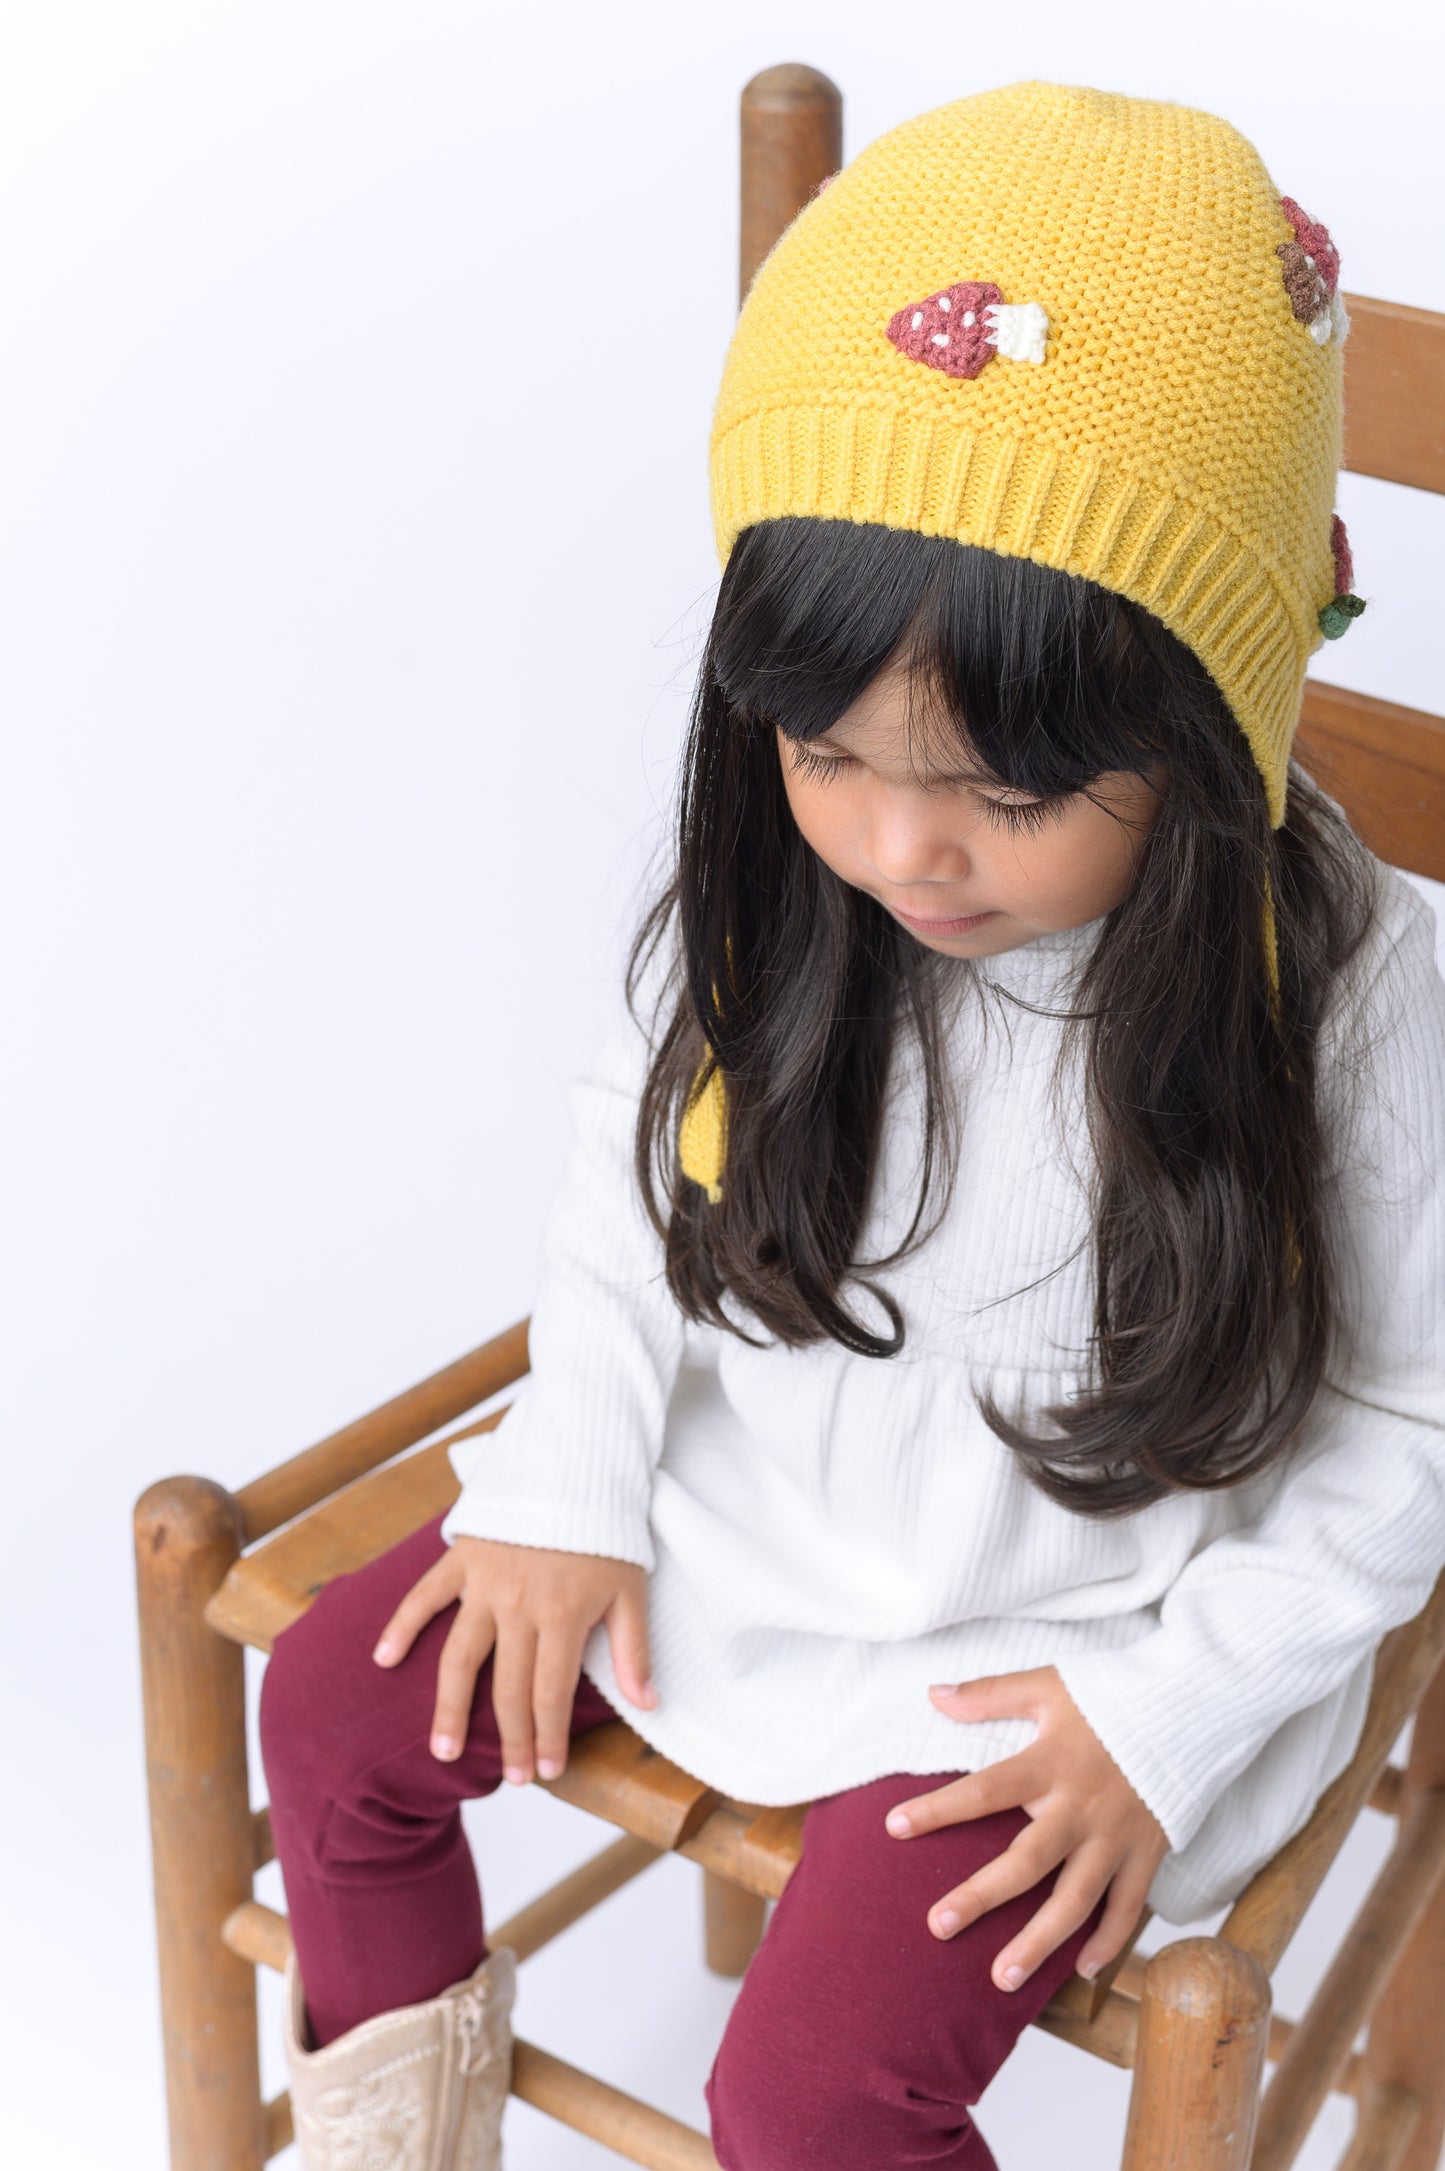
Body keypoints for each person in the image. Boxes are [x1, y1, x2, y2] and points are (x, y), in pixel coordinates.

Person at [259, 78, 1445, 2171]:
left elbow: (1411, 1429)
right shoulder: (797, 885)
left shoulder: (1336, 993)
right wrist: (574, 1473)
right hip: (739, 1522)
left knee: (809, 2098)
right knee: (345, 1709)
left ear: (1204, 725)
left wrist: (1163, 1724)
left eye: (1007, 794)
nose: (904, 847)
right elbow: (640, 1186)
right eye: (824, 746)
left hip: (1063, 1658)